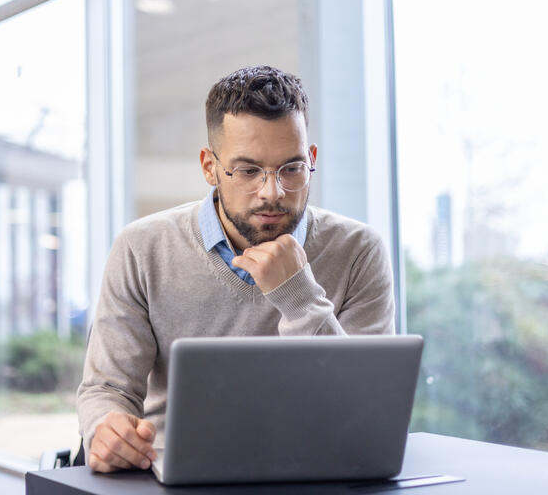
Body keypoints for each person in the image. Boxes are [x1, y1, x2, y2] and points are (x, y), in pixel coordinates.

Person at [76, 65, 395, 473]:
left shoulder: (358, 251)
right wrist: (106, 428)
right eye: (248, 171)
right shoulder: (142, 247)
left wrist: (299, 298)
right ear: (210, 167)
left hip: (316, 474)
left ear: (311, 159)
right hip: (172, 475)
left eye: (291, 168)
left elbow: (363, 412)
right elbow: (108, 389)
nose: (272, 192)